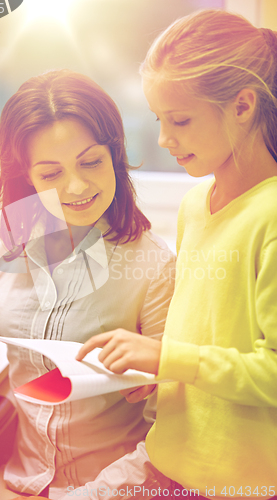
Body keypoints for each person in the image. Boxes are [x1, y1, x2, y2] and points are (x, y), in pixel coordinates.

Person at [73, 9, 277, 500]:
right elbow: (208, 337)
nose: (165, 139)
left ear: (243, 106)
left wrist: (169, 356)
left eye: (181, 120)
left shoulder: (270, 217)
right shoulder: (193, 206)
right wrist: (161, 372)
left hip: (240, 484)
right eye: (160, 120)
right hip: (166, 460)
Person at [0, 70, 176, 498]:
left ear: (115, 155)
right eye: (50, 174)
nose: (77, 186)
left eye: (91, 162)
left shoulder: (154, 265)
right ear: (26, 176)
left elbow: (170, 435)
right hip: (19, 479)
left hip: (111, 486)